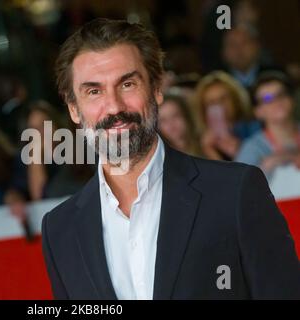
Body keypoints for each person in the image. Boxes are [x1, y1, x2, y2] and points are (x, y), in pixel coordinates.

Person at [41, 18, 300, 300]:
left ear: (156, 89)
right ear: (74, 109)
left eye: (127, 84)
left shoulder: (235, 191)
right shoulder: (60, 230)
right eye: (94, 91)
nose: (114, 106)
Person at [235, 71, 300, 178]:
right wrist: (269, 165)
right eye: (267, 99)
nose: (277, 101)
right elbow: (240, 187)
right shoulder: (251, 149)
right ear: (258, 111)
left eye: (281, 94)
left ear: (291, 99)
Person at [193, 71, 260, 161]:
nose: (218, 105)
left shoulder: (255, 128)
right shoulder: (199, 143)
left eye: (223, 99)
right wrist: (209, 150)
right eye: (211, 102)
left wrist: (241, 150)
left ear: (235, 99)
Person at [158, 92, 202, 157]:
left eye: (175, 115)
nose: (171, 124)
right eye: (163, 120)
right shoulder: (160, 157)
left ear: (186, 116)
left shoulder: (205, 144)